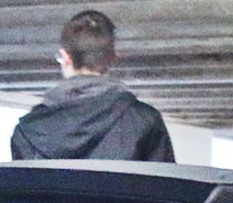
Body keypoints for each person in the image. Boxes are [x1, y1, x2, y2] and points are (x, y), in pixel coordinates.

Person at [11, 10, 173, 163]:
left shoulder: (28, 130)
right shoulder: (145, 121)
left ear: (66, 57)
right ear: (113, 57)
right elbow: (165, 189)